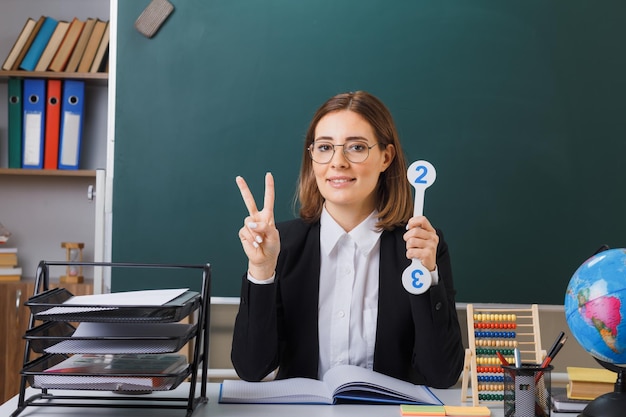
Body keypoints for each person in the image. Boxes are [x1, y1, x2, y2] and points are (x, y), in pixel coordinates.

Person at [231, 91, 464, 388]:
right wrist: (262, 272)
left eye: (356, 147)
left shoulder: (420, 247)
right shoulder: (282, 245)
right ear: (312, 157)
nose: (337, 162)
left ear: (386, 157)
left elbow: (442, 375)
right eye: (325, 147)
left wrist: (427, 276)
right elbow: (252, 368)